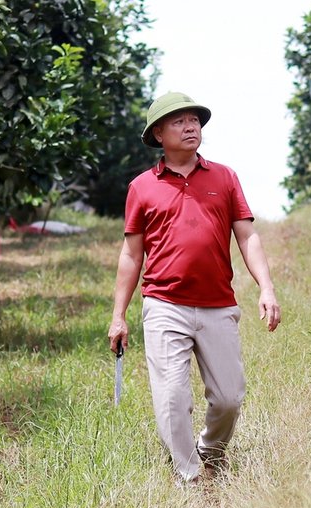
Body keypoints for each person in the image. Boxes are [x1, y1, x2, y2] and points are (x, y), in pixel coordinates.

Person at [108, 91, 281, 483]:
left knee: (229, 398)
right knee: (172, 399)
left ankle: (209, 451)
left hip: (218, 304)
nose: (191, 127)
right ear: (157, 134)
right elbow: (131, 256)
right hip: (164, 304)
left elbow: (247, 236)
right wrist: (118, 316)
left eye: (194, 120)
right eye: (179, 121)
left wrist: (266, 288)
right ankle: (190, 478)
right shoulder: (142, 187)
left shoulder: (224, 177)